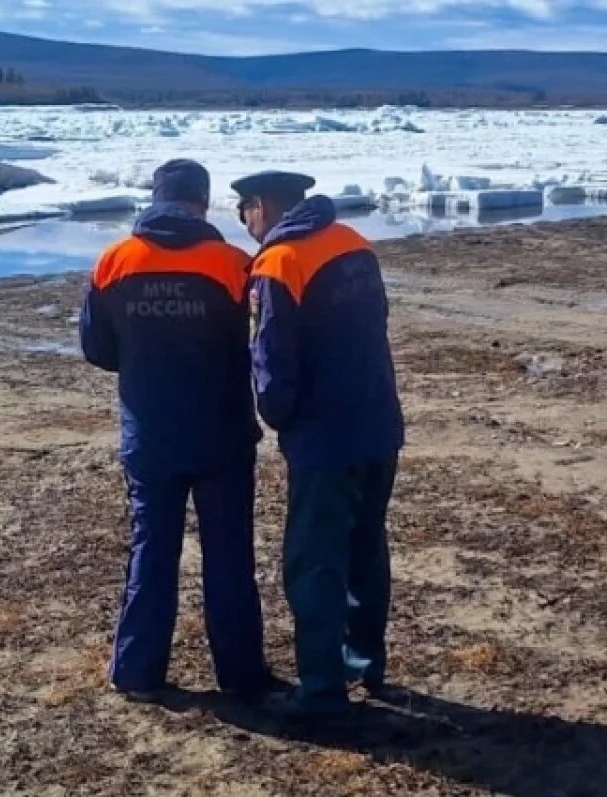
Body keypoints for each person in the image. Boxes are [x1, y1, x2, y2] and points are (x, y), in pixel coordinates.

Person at [80, 159, 269, 703]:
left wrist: (145, 362)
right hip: (223, 435)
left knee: (151, 551)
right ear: (203, 204)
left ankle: (137, 672)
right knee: (230, 557)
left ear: (156, 198)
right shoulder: (233, 263)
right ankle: (241, 675)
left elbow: (96, 348)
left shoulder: (114, 261)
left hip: (150, 433)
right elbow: (258, 340)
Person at [233, 171, 405, 718]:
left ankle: (322, 688)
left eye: (244, 211)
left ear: (262, 206)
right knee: (366, 548)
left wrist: (274, 414)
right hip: (378, 423)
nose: (243, 222)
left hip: (326, 439)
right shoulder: (355, 244)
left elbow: (273, 359)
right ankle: (365, 662)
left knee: (314, 561)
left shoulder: (281, 263)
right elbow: (375, 322)